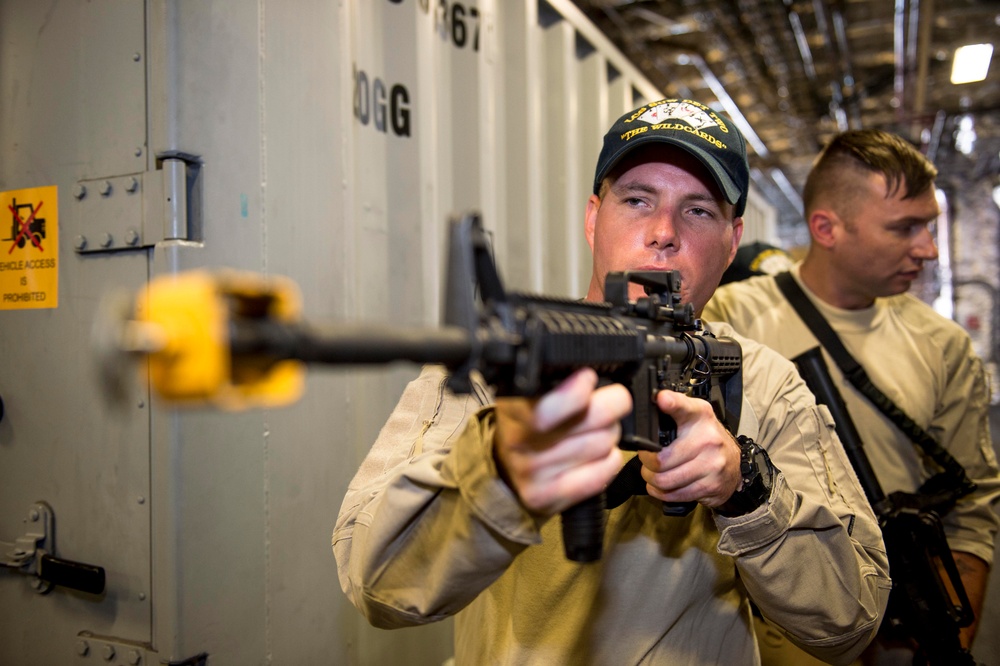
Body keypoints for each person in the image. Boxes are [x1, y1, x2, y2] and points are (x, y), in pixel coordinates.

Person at [334, 98, 890, 665]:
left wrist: (745, 488)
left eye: (698, 210)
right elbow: (375, 584)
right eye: (637, 199)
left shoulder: (765, 382)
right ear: (593, 218)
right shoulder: (507, 361)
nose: (662, 232)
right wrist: (496, 470)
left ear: (732, 239)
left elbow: (851, 620)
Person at [703, 128, 1000, 663]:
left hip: (905, 631)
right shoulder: (730, 319)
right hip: (772, 623)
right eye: (905, 227)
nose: (928, 250)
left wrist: (948, 640)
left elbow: (973, 506)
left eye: (928, 227)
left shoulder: (943, 346)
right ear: (826, 228)